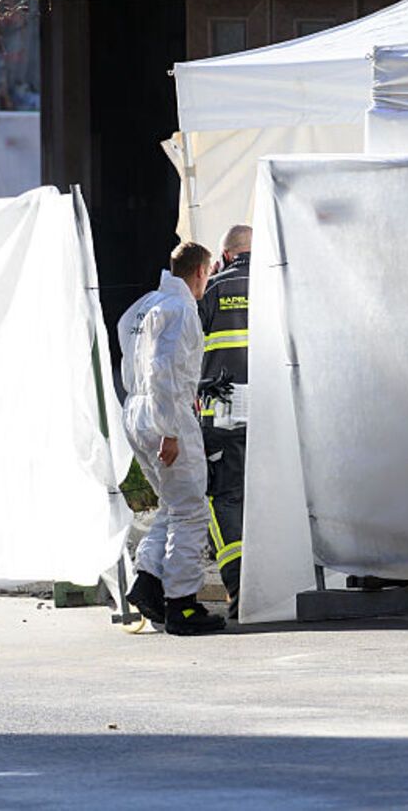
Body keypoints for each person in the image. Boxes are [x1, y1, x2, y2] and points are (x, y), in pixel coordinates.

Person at [118, 242, 226, 636]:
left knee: (173, 504)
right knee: (191, 510)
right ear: (201, 271)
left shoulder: (144, 305)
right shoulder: (180, 309)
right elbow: (164, 370)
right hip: (166, 413)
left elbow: (131, 357)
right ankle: (182, 604)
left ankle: (148, 582)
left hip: (137, 410)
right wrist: (171, 431)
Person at [197, 225, 251, 618]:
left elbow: (185, 347)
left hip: (224, 411)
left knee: (226, 496)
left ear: (226, 255)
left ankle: (238, 585)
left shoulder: (214, 288)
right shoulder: (278, 283)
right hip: (274, 409)